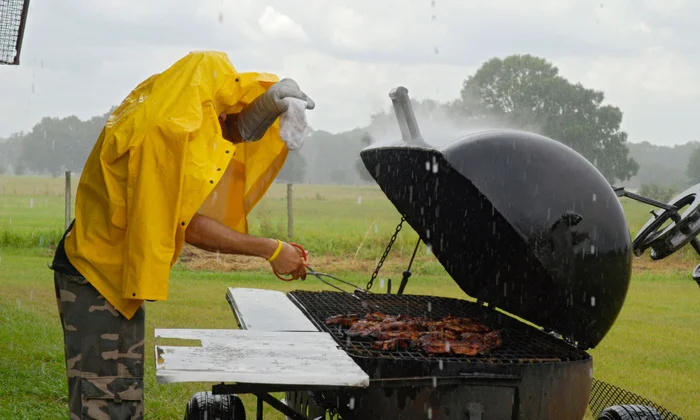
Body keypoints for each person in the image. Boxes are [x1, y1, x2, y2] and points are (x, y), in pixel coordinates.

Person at [49, 50, 314, 420]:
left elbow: (230, 129)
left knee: (121, 395)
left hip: (107, 273)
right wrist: (271, 250)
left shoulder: (171, 107)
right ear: (209, 106)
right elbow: (188, 224)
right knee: (105, 402)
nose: (226, 125)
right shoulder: (163, 135)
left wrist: (270, 101)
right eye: (223, 113)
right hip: (95, 277)